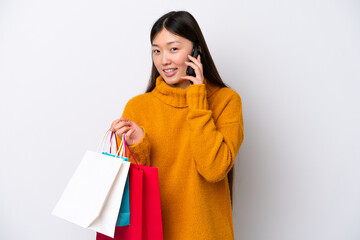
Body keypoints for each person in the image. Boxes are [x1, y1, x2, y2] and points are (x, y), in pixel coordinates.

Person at [110, 11, 243, 240]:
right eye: (157, 51)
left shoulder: (226, 101)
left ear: (196, 51)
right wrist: (140, 146)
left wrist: (197, 98)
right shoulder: (138, 107)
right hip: (154, 234)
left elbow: (213, 170)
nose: (164, 60)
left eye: (173, 49)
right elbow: (130, 192)